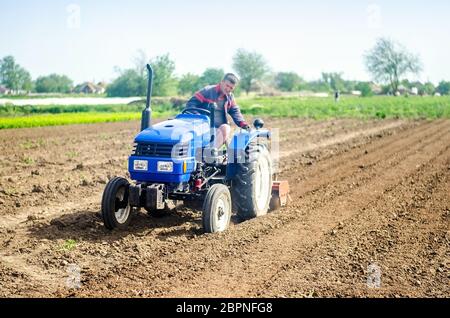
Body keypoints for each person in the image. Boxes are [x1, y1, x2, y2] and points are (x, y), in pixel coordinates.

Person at [184, 73, 250, 150]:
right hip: (203, 127)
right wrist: (199, 117)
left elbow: (235, 111)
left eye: (231, 88)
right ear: (222, 82)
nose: (228, 89)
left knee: (226, 127)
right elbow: (191, 104)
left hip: (219, 130)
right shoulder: (207, 91)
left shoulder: (230, 97)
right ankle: (207, 152)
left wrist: (242, 123)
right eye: (227, 85)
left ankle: (210, 152)